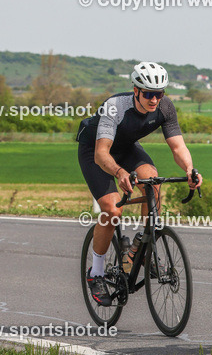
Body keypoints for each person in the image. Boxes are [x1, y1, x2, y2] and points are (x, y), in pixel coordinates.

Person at [77, 61, 201, 305]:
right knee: (113, 210)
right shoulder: (114, 107)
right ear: (136, 90)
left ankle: (143, 249)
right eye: (148, 94)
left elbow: (178, 147)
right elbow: (102, 154)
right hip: (96, 151)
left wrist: (189, 169)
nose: (154, 100)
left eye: (159, 94)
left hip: (126, 148)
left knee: (153, 182)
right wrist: (120, 172)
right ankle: (96, 273)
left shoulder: (165, 107)